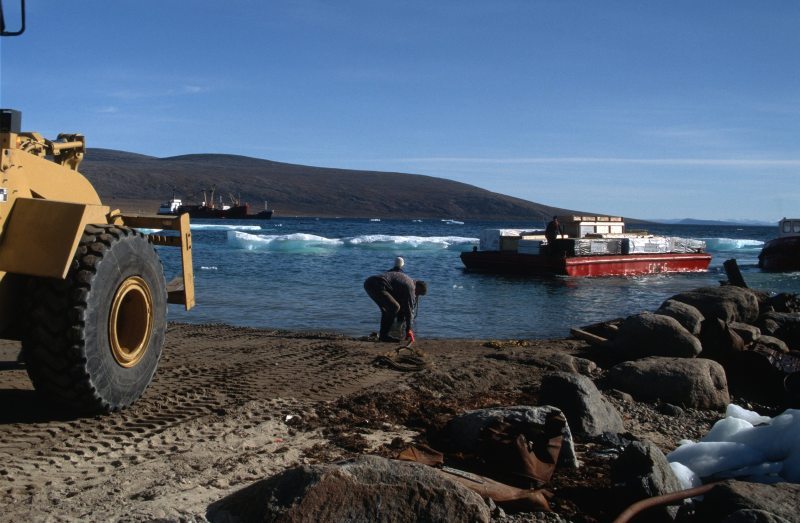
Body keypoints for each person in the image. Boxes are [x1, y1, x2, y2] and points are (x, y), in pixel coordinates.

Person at [364, 267, 427, 343]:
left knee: (386, 310)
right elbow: (409, 310)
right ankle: (384, 336)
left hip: (369, 283)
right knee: (395, 307)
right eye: (418, 293)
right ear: (418, 287)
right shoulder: (411, 287)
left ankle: (383, 336)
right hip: (377, 285)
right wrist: (408, 329)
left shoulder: (407, 280)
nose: (416, 296)